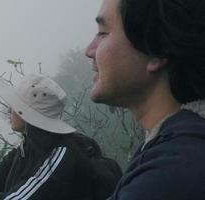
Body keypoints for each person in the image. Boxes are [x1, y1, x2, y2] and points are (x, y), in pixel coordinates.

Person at [86, 0, 205, 199]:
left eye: (103, 33)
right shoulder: (171, 147)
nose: (89, 50)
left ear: (156, 51)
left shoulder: (169, 175)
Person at [0, 73, 122, 200]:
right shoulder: (23, 151)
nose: (9, 111)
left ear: (26, 115)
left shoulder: (61, 155)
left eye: (14, 106)